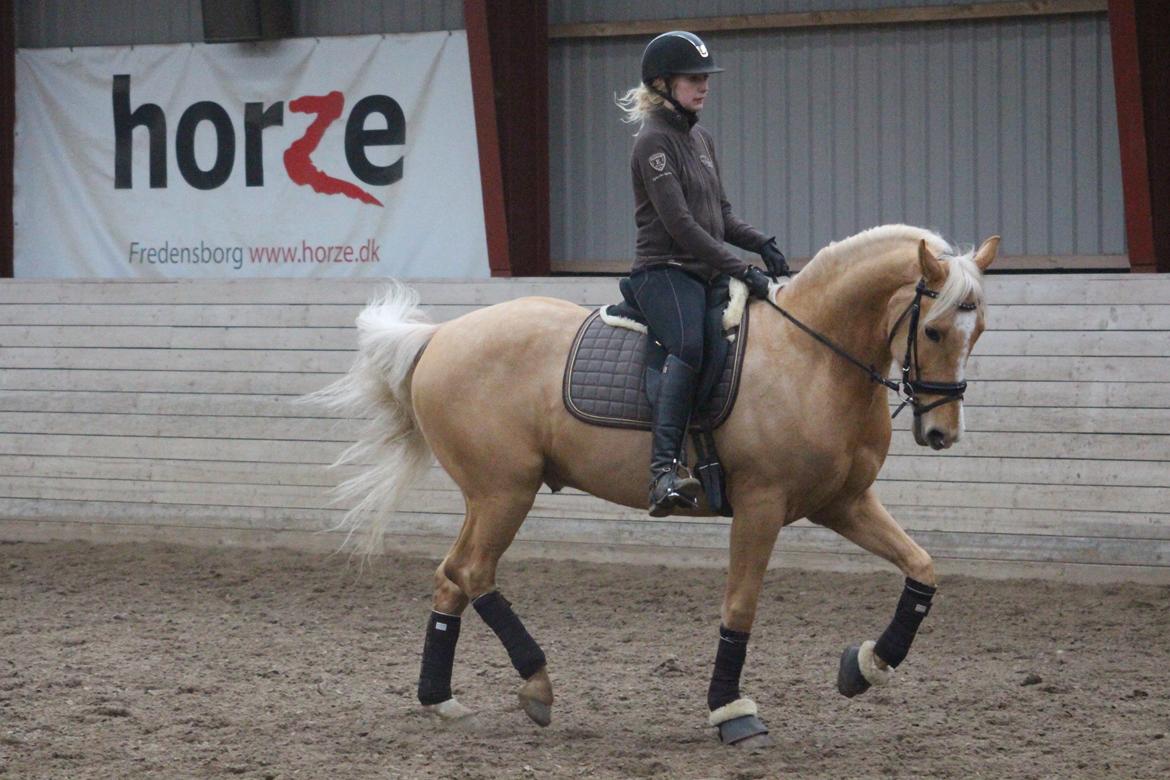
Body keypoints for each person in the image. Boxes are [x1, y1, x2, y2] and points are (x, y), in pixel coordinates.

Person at [616, 30, 791, 517]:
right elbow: (683, 227)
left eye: (706, 79)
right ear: (662, 83)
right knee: (690, 345)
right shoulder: (653, 143)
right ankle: (663, 471)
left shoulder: (700, 139)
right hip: (664, 271)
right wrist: (744, 270)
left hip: (705, 271)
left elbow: (721, 215)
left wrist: (761, 243)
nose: (704, 87)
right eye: (694, 79)